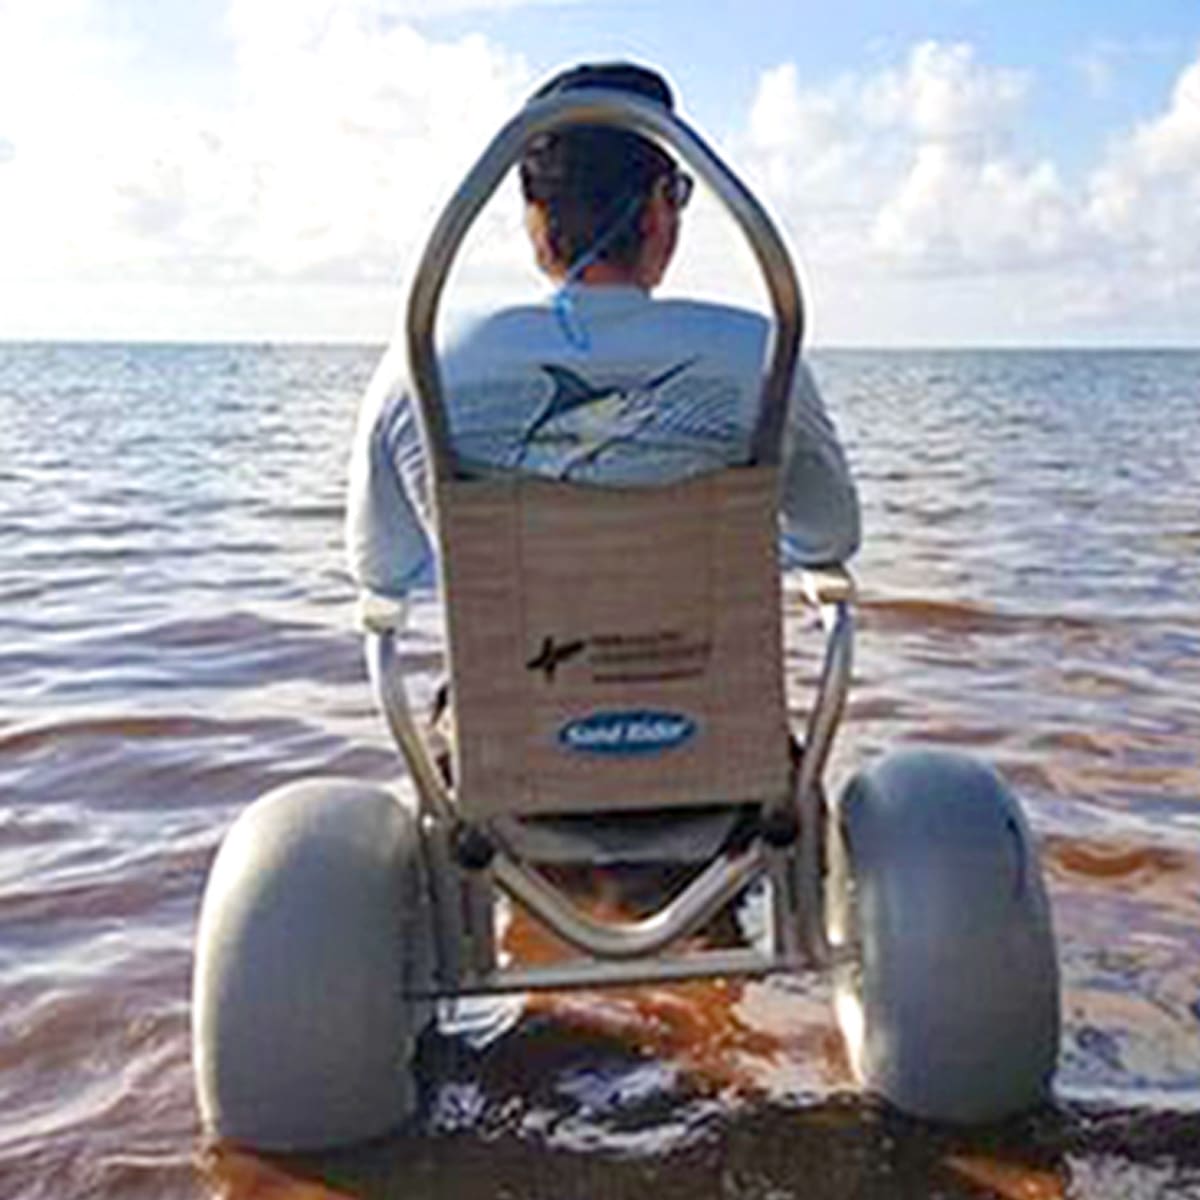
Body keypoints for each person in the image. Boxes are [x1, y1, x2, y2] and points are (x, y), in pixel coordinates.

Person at [345, 60, 859, 629]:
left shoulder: (425, 360)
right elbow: (830, 534)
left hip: (507, 714)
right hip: (720, 718)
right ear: (660, 208)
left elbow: (381, 566)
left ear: (535, 219)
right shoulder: (760, 355)